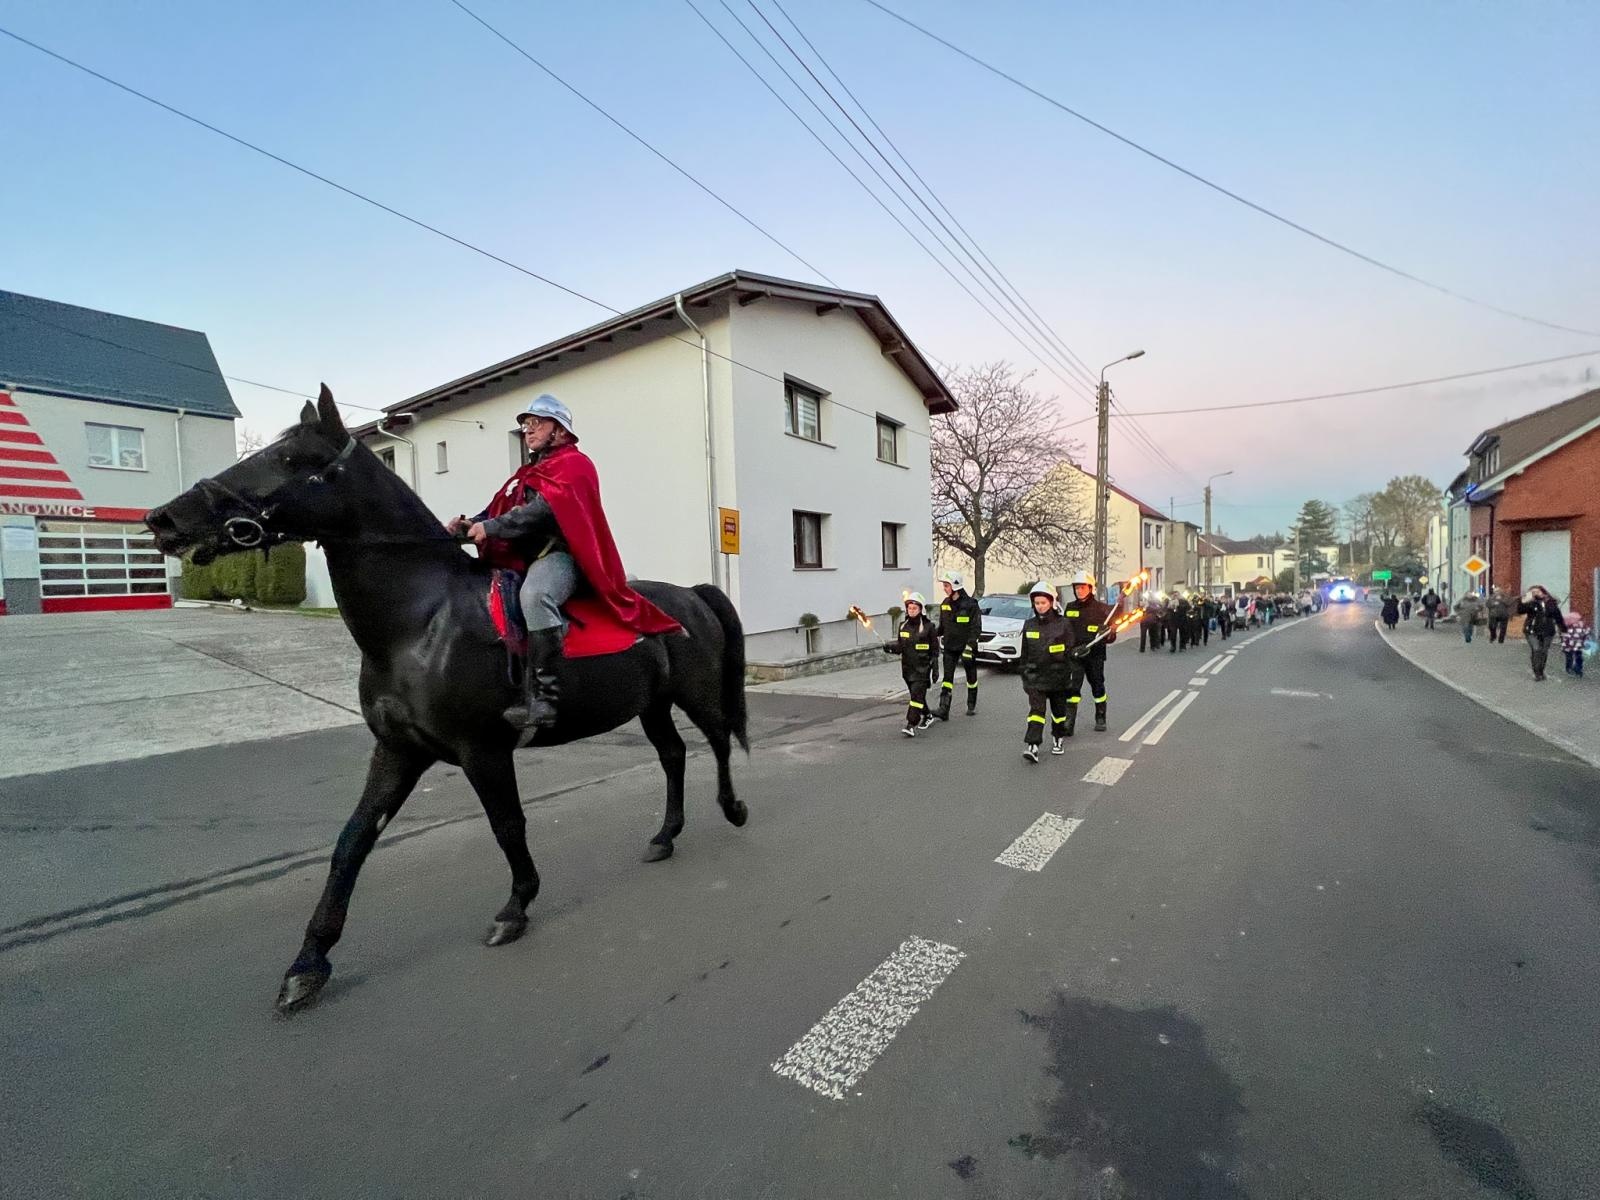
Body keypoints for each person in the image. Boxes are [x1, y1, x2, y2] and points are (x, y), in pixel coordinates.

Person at [453, 394, 680, 733]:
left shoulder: (576, 465)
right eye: (524, 425)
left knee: (535, 597)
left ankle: (547, 693)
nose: (527, 431)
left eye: (535, 423)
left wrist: (493, 527)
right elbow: (499, 512)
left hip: (561, 556)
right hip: (523, 559)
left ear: (558, 430)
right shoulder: (528, 472)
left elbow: (543, 511)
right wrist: (466, 525)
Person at [1019, 581, 1080, 762]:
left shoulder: (1064, 624)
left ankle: (1058, 738)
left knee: (1058, 713)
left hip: (1058, 677)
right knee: (1036, 711)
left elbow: (1070, 649)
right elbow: (1024, 653)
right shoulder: (1029, 625)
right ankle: (1033, 745)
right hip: (1035, 677)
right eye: (1037, 603)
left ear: (1052, 602)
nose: (1040, 606)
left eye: (1043, 603)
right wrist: (1024, 674)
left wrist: (1072, 654)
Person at [1063, 570, 1117, 731]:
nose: (1079, 591)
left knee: (1097, 686)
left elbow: (1111, 637)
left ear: (1090, 588)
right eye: (1077, 588)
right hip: (1075, 655)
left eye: (1082, 588)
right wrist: (1069, 650)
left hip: (1095, 656)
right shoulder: (1070, 607)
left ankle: (1100, 716)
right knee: (1072, 688)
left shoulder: (1102, 609)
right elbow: (1065, 631)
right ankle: (1068, 722)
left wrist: (1109, 633)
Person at [883, 592, 940, 736]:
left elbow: (935, 650)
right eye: (909, 608)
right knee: (917, 697)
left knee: (915, 697)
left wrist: (935, 668)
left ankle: (910, 725)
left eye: (914, 608)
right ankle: (927, 715)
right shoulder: (903, 626)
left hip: (922, 669)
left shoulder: (928, 627)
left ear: (920, 609)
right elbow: (901, 646)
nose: (912, 610)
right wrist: (890, 648)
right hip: (908, 669)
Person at [934, 570, 982, 719]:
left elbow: (976, 628)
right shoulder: (945, 604)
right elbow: (941, 628)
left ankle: (971, 703)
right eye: (944, 585)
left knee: (971, 677)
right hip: (949, 647)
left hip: (966, 648)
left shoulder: (970, 605)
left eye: (946, 585)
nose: (944, 588)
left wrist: (970, 646)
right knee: (947, 679)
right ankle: (944, 709)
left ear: (955, 586)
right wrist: (928, 634)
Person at [1517, 585, 1564, 681]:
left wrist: (1563, 630)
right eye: (1533, 592)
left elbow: (1557, 616)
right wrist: (1524, 601)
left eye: (1537, 591)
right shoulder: (1530, 603)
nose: (1536, 593)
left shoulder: (1551, 602)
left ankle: (1541, 671)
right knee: (1536, 649)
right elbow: (1520, 610)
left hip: (1548, 631)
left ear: (1543, 592)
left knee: (1544, 651)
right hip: (1532, 630)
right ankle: (1537, 673)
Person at [1561, 611, 1590, 678]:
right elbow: (1586, 633)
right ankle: (1578, 669)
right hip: (1578, 645)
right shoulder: (1582, 625)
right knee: (1579, 657)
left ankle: (1569, 669)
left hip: (1568, 646)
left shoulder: (1566, 626)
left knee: (1569, 658)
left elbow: (1564, 636)